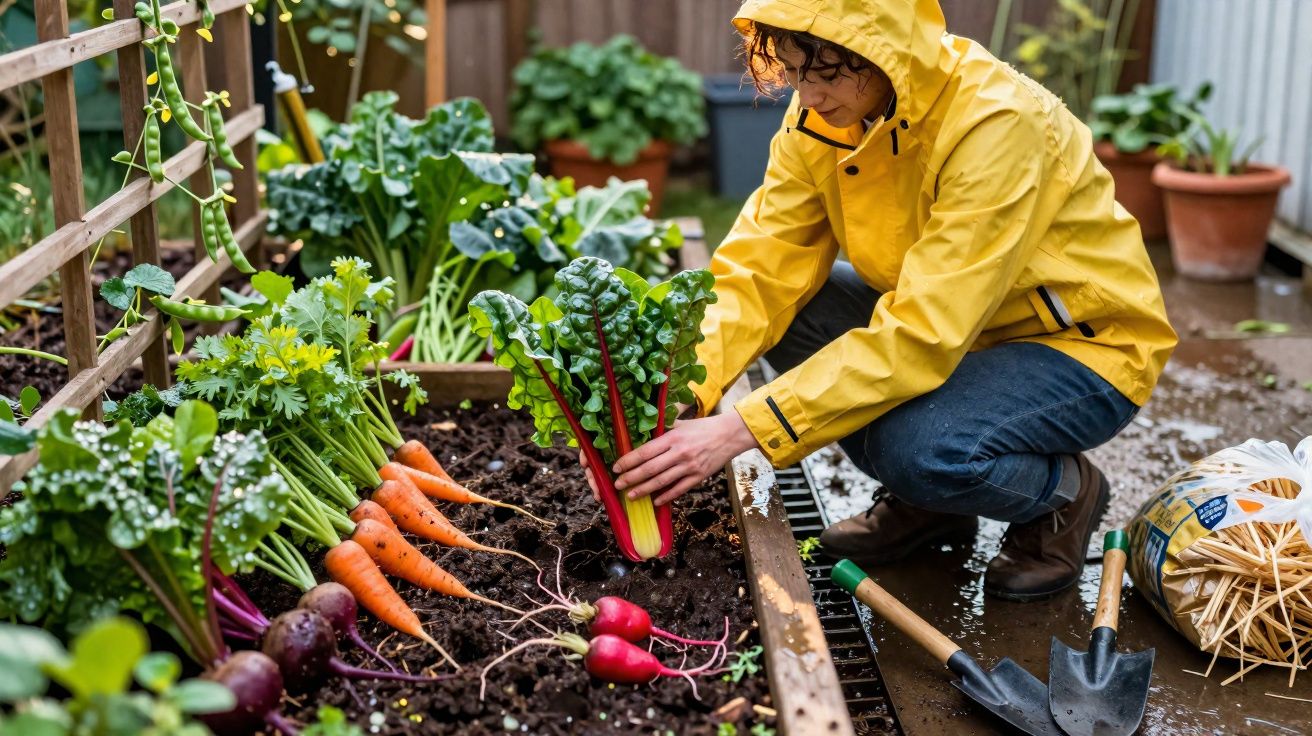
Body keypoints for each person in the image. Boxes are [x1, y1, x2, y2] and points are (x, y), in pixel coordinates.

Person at [584, 0, 1176, 601]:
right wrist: (676, 397)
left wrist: (741, 428)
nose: (808, 93)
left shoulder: (996, 123)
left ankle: (1063, 494)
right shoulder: (824, 118)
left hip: (1080, 347)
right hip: (961, 330)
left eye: (829, 72)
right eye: (794, 71)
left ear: (884, 52)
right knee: (794, 314)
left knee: (917, 450)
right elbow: (760, 267)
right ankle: (935, 510)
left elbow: (923, 332)